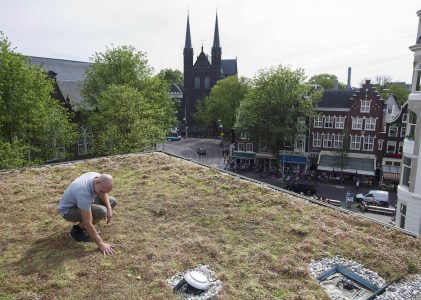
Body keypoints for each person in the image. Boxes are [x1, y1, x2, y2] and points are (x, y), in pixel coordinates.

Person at [58, 172, 117, 255]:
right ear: (97, 182)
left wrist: (109, 208)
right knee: (101, 211)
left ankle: (84, 229)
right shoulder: (83, 192)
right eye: (101, 191)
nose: (102, 193)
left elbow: (103, 193)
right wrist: (101, 244)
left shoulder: (97, 177)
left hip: (81, 201)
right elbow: (87, 222)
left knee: (112, 201)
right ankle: (76, 232)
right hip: (68, 210)